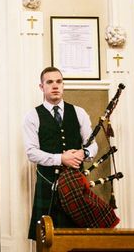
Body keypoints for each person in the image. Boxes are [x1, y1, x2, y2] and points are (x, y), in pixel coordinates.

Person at [22, 66, 98, 240]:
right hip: (48, 184)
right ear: (42, 87)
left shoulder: (79, 112)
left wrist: (83, 153)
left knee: (77, 237)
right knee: (47, 238)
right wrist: (61, 158)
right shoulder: (32, 116)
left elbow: (92, 145)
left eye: (59, 82)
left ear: (63, 85)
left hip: (75, 184)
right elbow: (31, 153)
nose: (55, 86)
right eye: (49, 82)